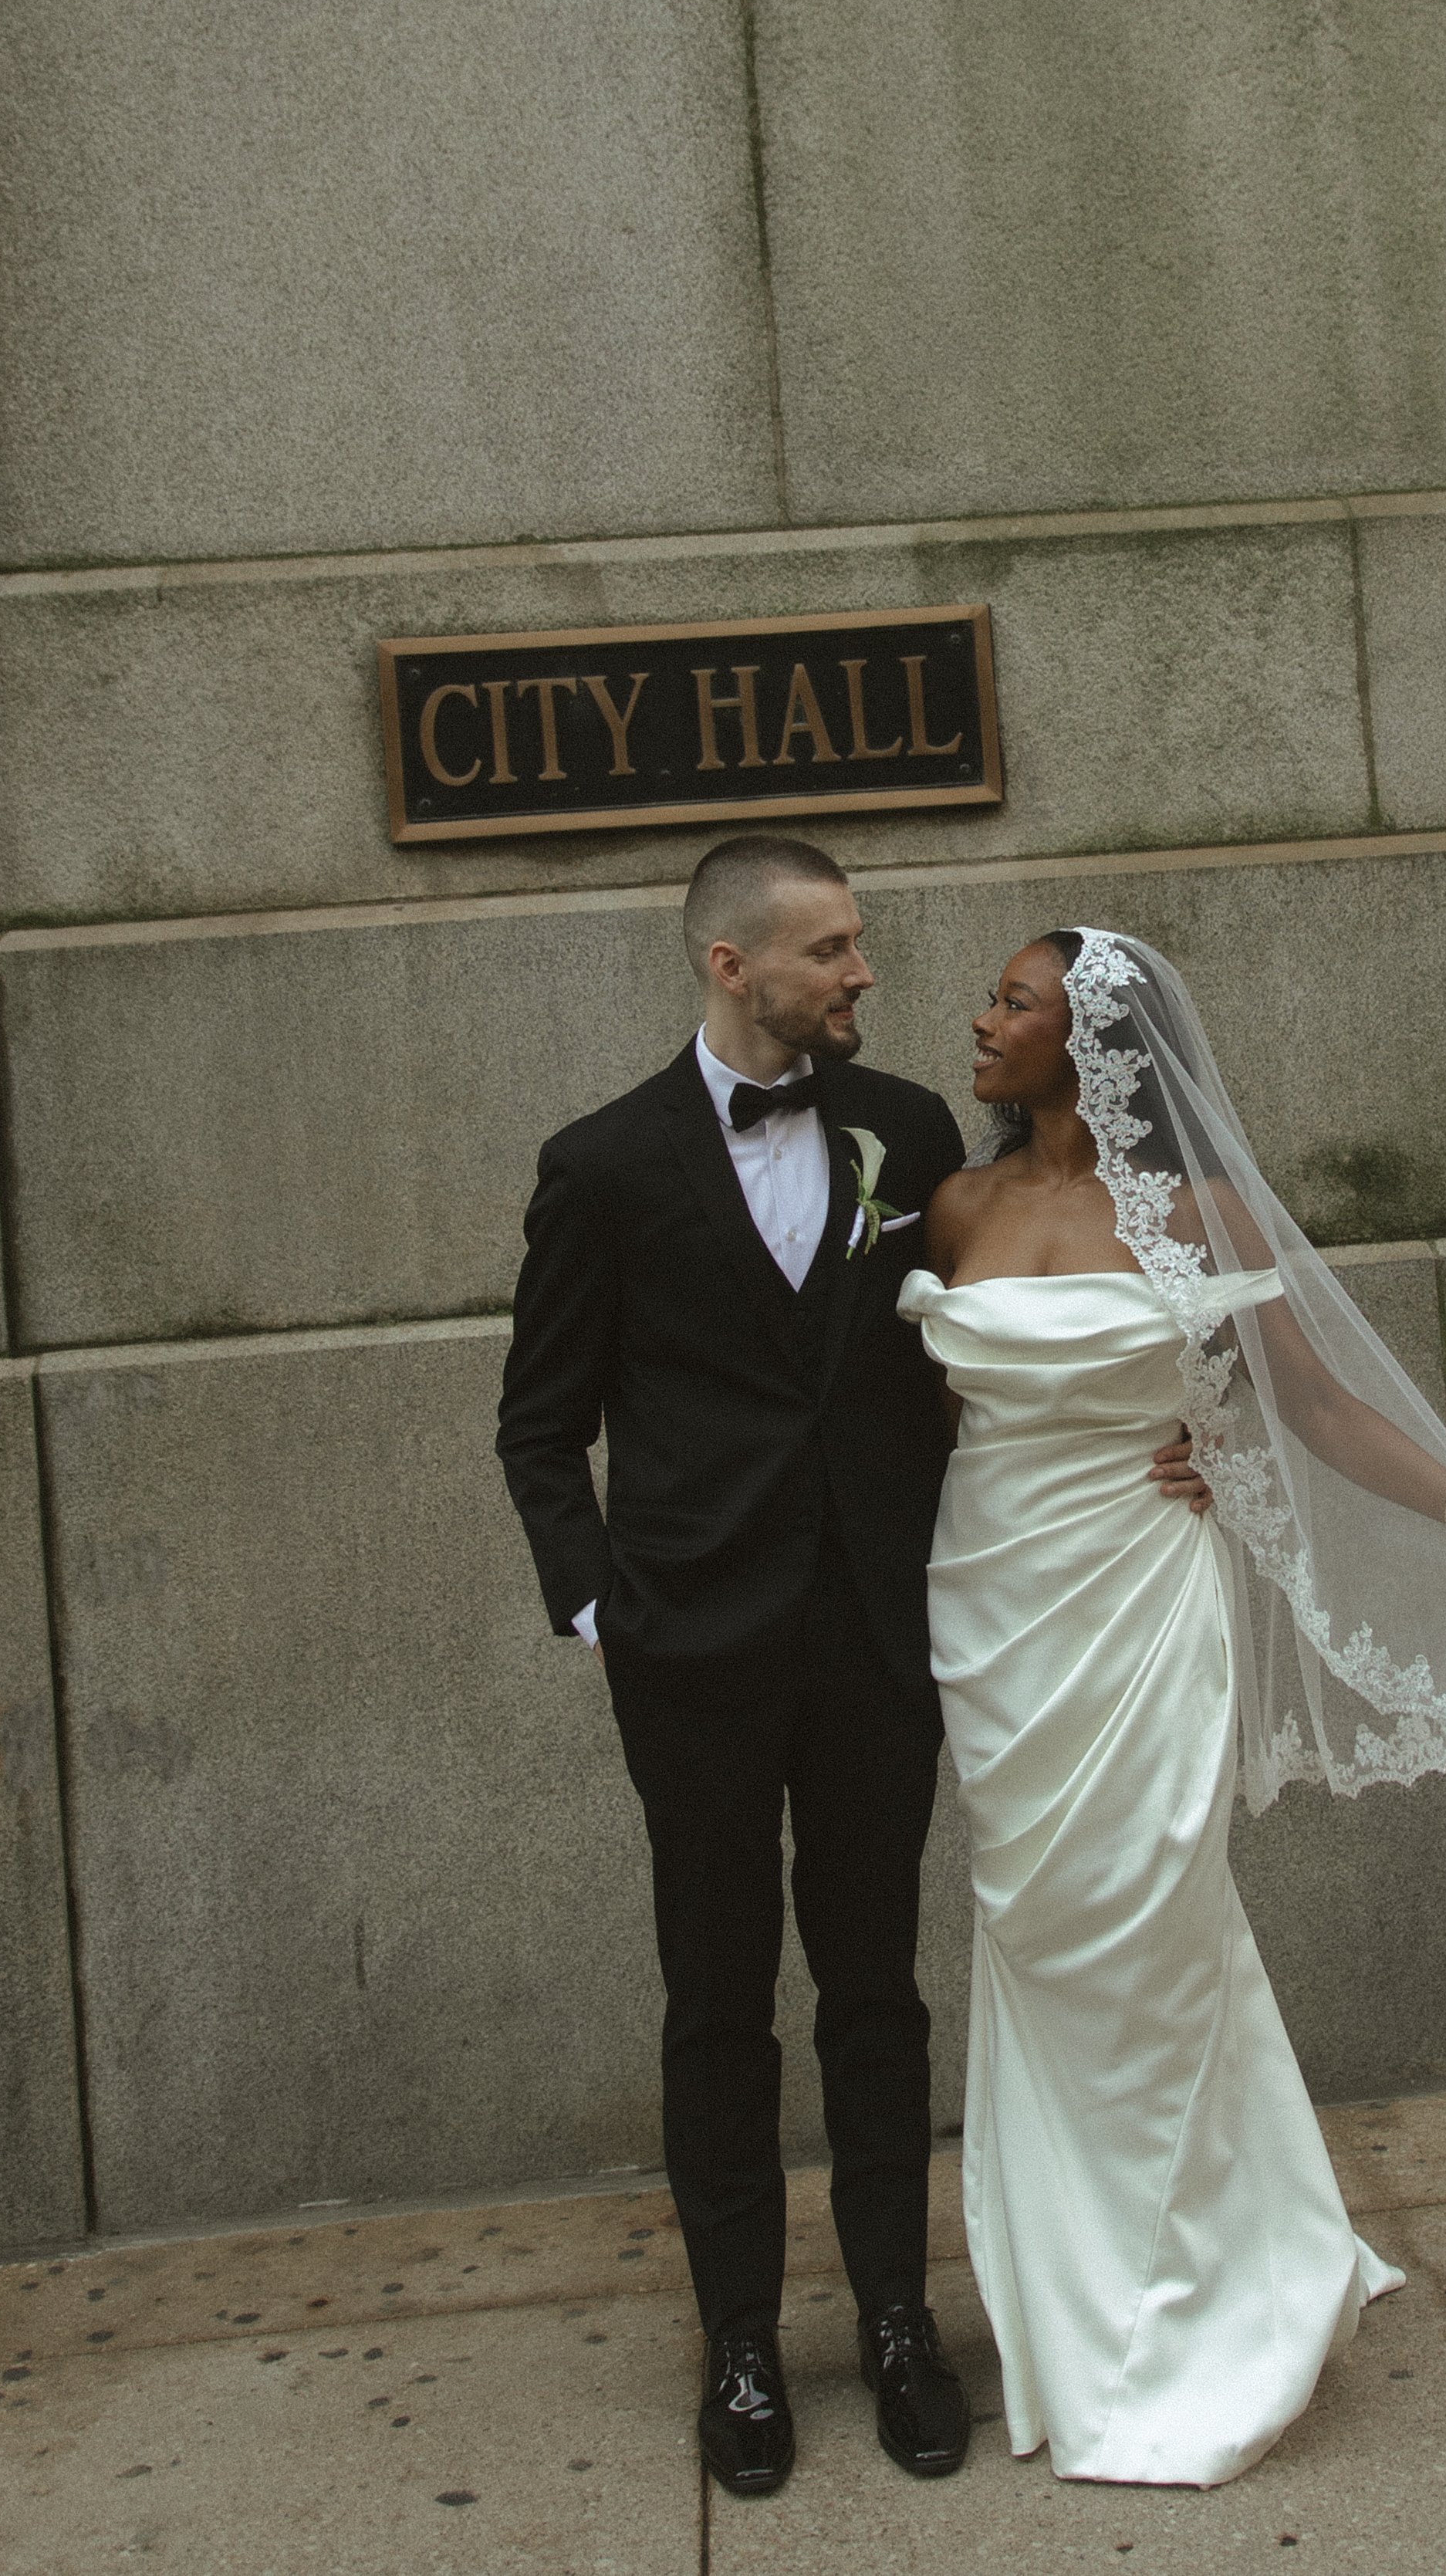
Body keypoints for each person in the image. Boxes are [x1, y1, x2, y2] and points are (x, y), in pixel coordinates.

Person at [902, 925, 1446, 2487]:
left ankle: (1209, 2293)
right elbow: (937, 1420)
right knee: (1030, 1926)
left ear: (1089, 1040)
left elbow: (1317, 1403)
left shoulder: (1195, 1212)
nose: (980, 1018)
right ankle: (1072, 2300)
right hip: (996, 1604)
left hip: (1143, 1600)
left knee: (1153, 1911)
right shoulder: (953, 1204)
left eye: (1009, 1000)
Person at [496, 834, 972, 2500]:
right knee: (715, 2003)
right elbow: (540, 1425)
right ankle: (745, 2347)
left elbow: (976, 1353)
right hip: (688, 1649)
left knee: (875, 1989)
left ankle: (900, 2328)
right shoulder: (605, 1165)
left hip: (866, 1635)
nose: (858, 973)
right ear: (732, 968)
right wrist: (597, 1608)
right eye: (829, 950)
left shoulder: (905, 1132)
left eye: (854, 947)